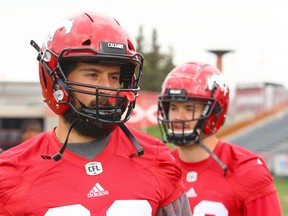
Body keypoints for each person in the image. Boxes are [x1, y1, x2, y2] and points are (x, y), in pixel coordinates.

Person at [0, 12, 191, 215]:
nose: (108, 89)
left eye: (114, 76)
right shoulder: (12, 174)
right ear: (56, 80)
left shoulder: (157, 159)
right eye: (93, 75)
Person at [157, 62, 282, 215]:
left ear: (213, 114)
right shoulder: (159, 168)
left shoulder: (248, 170)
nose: (177, 116)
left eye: (189, 108)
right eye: (173, 107)